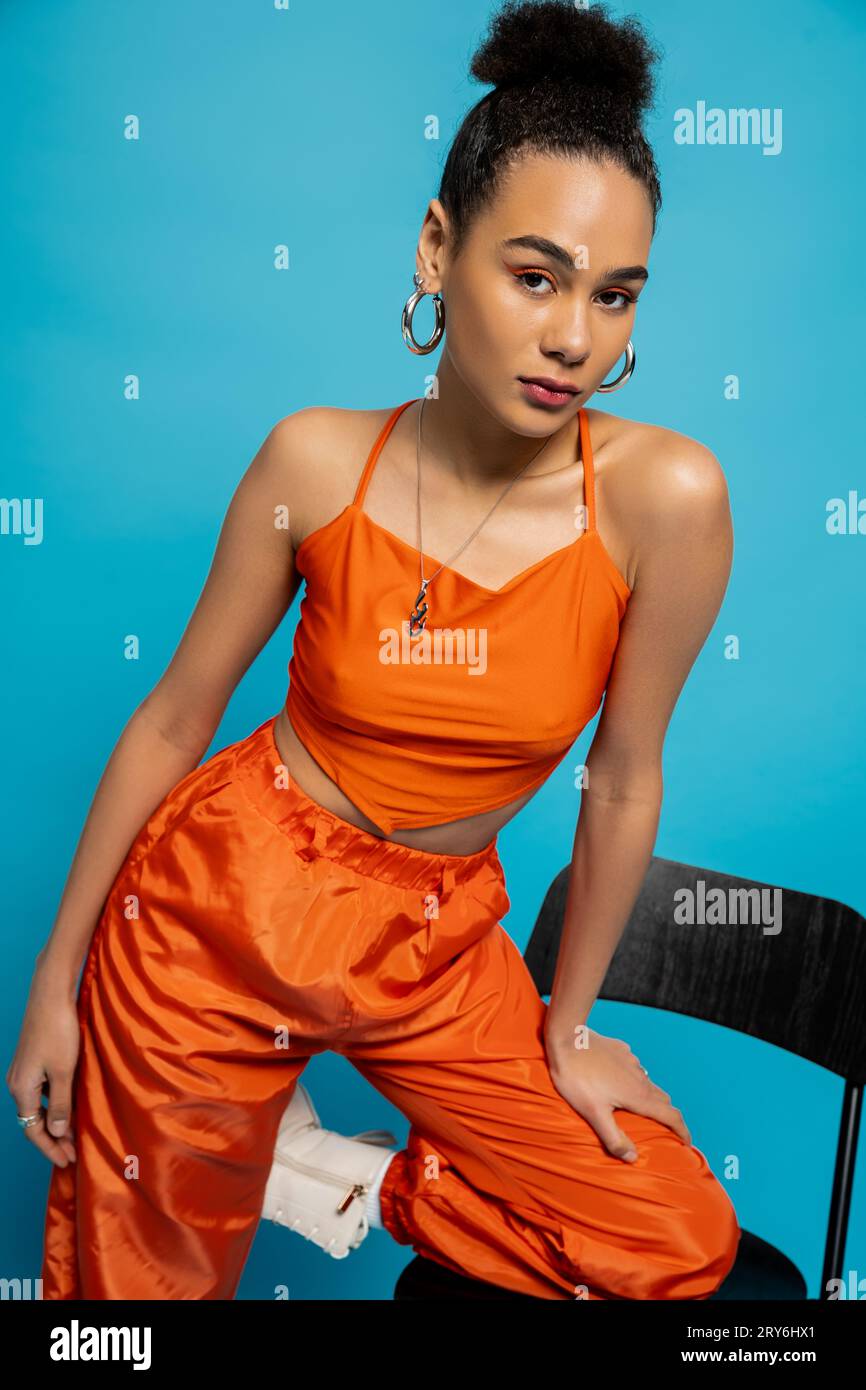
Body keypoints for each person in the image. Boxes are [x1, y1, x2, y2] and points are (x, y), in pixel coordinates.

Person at [9, 0, 741, 1300]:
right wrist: (56, 981)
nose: (575, 336)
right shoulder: (313, 459)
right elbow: (176, 719)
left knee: (669, 1236)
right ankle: (203, 1149)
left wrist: (565, 1027)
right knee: (126, 1313)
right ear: (435, 247)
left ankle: (321, 1172)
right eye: (535, 275)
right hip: (219, 911)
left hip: (432, 943)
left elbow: (622, 778)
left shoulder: (666, 501)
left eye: (612, 294)